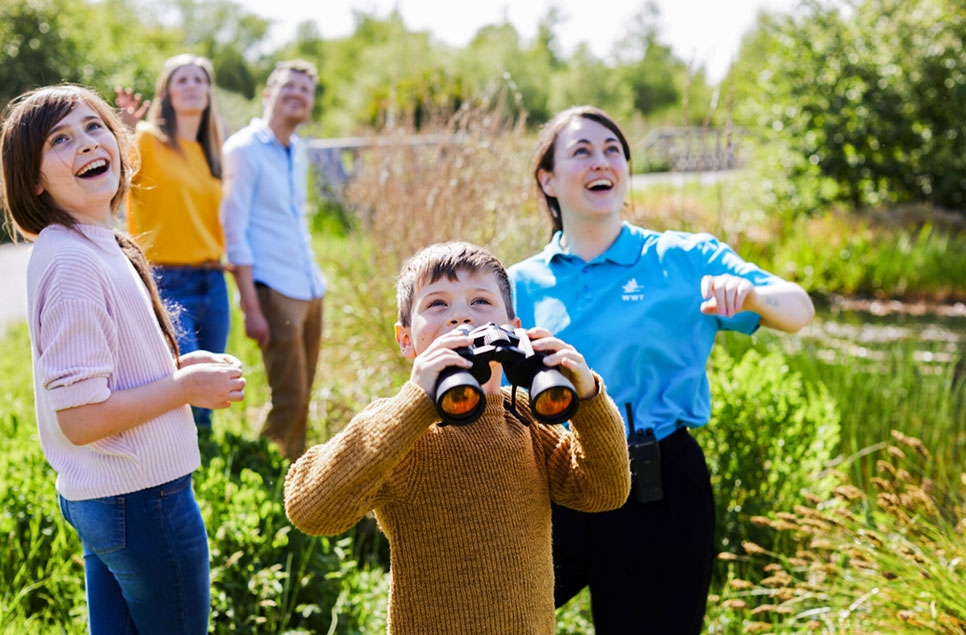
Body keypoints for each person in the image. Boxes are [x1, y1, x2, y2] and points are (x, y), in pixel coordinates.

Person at [507, 105, 816, 634]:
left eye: (612, 151)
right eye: (581, 151)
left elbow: (799, 308)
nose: (601, 161)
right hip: (553, 480)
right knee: (495, 618)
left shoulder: (682, 258)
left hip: (657, 486)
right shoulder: (517, 283)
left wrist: (753, 295)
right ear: (548, 179)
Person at [284, 241, 631, 634]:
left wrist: (587, 399)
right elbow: (310, 509)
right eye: (437, 305)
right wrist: (416, 402)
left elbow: (605, 490)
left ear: (513, 330)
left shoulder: (526, 418)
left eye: (481, 302)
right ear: (405, 340)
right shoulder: (399, 430)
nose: (461, 317)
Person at [0, 85, 246, 634]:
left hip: (113, 497)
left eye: (94, 126)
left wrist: (176, 370)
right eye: (59, 139)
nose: (86, 143)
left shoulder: (92, 243)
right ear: (35, 180)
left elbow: (107, 375)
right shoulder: (72, 264)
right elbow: (82, 417)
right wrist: (184, 391)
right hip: (141, 500)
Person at [116, 54, 230, 431]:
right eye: (182, 79)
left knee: (213, 374)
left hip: (212, 280)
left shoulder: (212, 152)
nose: (192, 85)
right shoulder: (146, 138)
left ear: (209, 93)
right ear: (166, 92)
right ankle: (182, 449)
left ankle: (207, 450)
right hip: (165, 279)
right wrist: (123, 131)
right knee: (182, 374)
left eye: (199, 79)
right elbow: (116, 177)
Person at [221, 59, 326, 460]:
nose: (298, 95)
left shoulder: (297, 151)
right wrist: (251, 307)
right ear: (268, 95)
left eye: (306, 90)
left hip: (310, 285)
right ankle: (273, 475)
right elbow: (233, 230)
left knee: (303, 391)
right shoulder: (244, 150)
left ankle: (280, 460)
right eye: (289, 87)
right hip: (272, 287)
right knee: (291, 395)